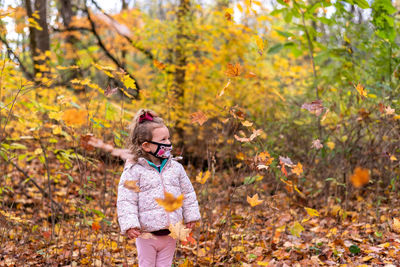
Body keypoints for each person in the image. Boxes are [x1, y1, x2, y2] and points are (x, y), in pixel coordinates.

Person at [117, 109, 201, 267]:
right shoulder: (134, 170)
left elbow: (188, 193)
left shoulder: (175, 168)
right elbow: (126, 199)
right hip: (147, 234)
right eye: (163, 139)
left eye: (169, 138)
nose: (168, 143)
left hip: (171, 232)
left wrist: (191, 216)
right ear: (147, 146)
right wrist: (130, 225)